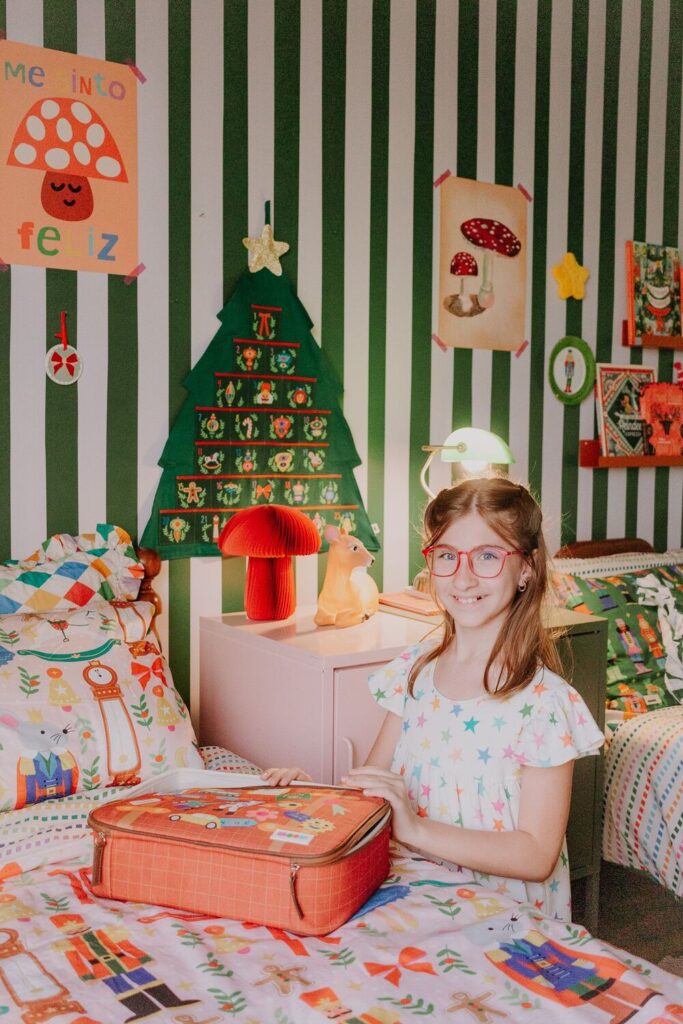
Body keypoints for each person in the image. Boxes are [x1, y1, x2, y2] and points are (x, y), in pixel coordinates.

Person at [262, 477, 604, 920]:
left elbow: (536, 855)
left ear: (527, 568)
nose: (463, 577)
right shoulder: (415, 670)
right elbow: (374, 789)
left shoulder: (545, 705)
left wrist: (414, 827)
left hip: (503, 922)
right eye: (447, 556)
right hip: (415, 901)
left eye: (487, 556)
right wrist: (308, 794)